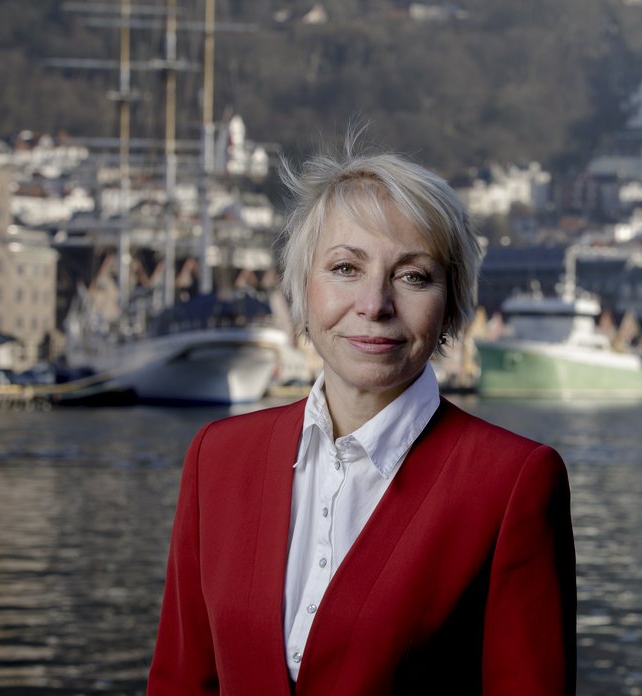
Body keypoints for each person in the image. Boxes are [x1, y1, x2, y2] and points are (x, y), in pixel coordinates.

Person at [147, 136, 576, 695]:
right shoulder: (217, 458)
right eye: (346, 267)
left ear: (450, 303)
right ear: (303, 286)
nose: (374, 304)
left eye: (413, 276)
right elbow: (180, 681)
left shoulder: (514, 482)